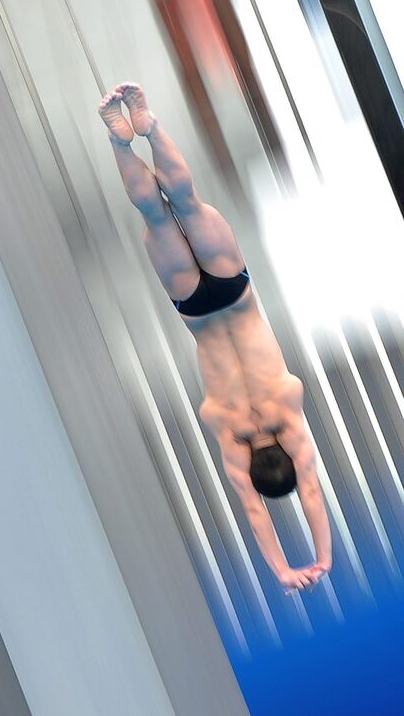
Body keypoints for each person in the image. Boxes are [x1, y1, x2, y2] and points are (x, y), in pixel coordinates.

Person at [98, 83, 332, 593]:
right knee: (155, 213)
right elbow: (252, 508)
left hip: (236, 293)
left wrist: (321, 558)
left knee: (185, 199)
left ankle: (149, 124)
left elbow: (311, 490)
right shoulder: (225, 427)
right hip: (195, 311)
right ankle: (120, 141)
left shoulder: (287, 407)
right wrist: (281, 570)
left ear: (291, 455)